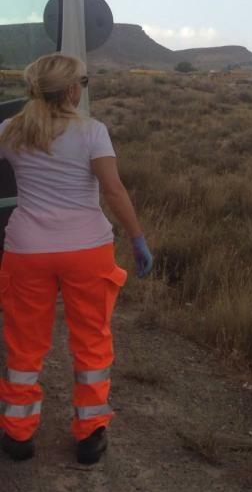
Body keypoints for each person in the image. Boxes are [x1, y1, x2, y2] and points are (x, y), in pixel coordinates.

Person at [0, 53, 153, 465]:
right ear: (70, 89)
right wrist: (137, 238)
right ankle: (89, 434)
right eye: (82, 83)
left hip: (27, 251)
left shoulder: (9, 131)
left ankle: (17, 434)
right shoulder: (92, 132)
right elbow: (114, 191)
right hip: (87, 251)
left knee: (24, 345)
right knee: (91, 341)